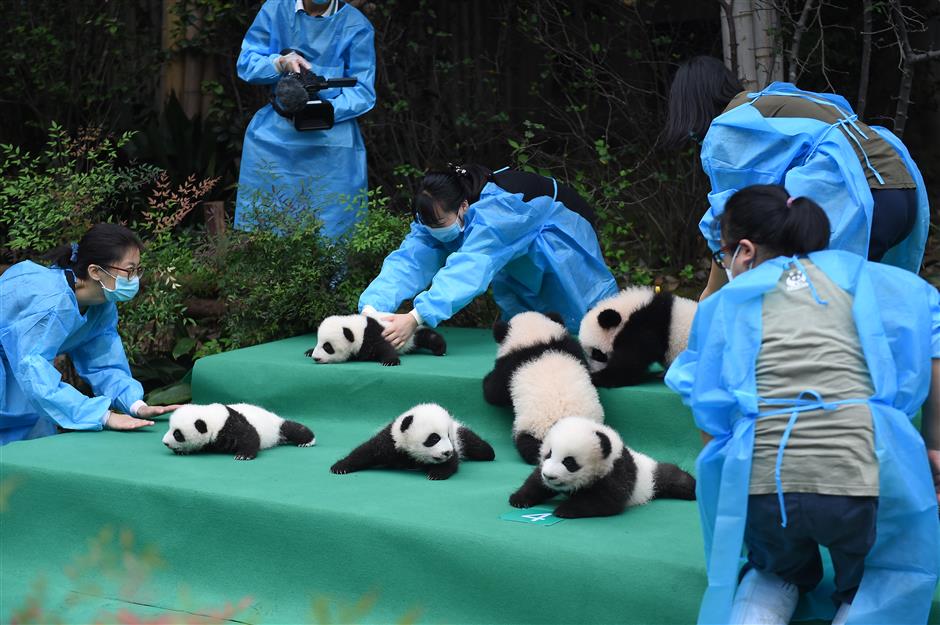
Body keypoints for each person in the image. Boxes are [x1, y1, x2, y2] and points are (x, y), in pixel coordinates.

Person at [665, 185, 939, 625]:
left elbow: (710, 415)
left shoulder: (726, 305)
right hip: (861, 475)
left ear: (746, 251)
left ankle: (768, 595)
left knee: (774, 570)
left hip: (765, 482)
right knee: (878, 576)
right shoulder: (873, 280)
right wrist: (933, 442)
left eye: (723, 255)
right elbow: (931, 336)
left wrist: (732, 487)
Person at [662, 56, 929, 300]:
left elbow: (729, 221)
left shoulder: (725, 131)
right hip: (902, 189)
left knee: (811, 308)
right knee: (863, 307)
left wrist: (710, 295)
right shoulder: (769, 101)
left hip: (860, 200)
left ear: (689, 105)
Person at [358, 164, 620, 345]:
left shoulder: (498, 212)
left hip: (564, 231)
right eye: (429, 226)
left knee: (588, 315)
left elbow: (470, 266)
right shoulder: (434, 215)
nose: (434, 231)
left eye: (440, 224)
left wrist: (416, 317)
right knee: (528, 328)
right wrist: (372, 306)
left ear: (463, 207)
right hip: (519, 254)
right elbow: (410, 261)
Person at [0, 224, 181, 445]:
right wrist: (103, 415)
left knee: (33, 443)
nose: (135, 279)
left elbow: (104, 362)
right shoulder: (51, 303)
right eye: (129, 270)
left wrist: (135, 405)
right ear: (95, 271)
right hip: (16, 366)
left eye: (138, 270)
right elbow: (34, 369)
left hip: (17, 367)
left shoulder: (101, 305)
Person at [234, 0, 376, 239]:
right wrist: (279, 63)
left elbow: (363, 91)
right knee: (267, 231)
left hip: (332, 141)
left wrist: (321, 108)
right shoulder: (275, 9)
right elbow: (246, 62)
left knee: (334, 234)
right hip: (275, 136)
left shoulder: (356, 25)